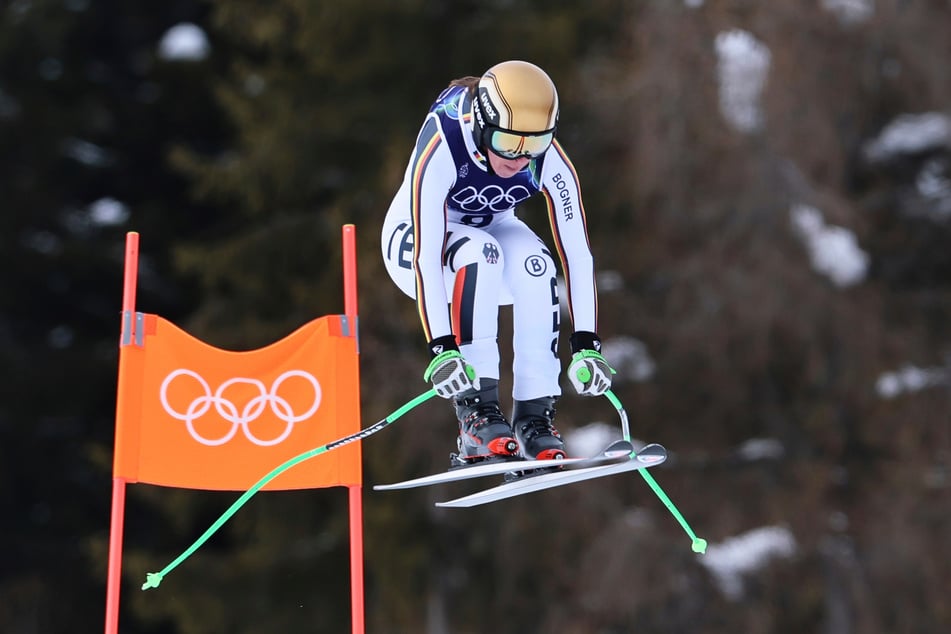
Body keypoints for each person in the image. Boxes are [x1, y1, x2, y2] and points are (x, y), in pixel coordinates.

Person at [381, 60, 614, 467]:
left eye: (534, 145)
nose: (520, 158)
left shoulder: (545, 157)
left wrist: (587, 346)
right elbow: (426, 254)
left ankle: (533, 419)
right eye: (508, 143)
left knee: (536, 265)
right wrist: (442, 349)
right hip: (417, 239)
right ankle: (476, 413)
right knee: (479, 253)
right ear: (482, 126)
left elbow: (577, 255)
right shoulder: (445, 140)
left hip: (494, 227)